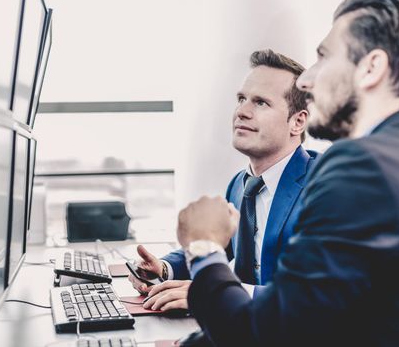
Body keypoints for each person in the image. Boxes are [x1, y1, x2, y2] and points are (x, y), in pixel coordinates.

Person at [177, 0, 399, 346]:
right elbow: (329, 316)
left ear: (371, 68)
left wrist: (204, 248)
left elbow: (260, 335)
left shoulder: (361, 166)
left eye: (324, 56)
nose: (306, 80)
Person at [128, 50, 319, 311]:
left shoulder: (323, 186)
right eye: (241, 99)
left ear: (297, 122)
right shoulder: (240, 185)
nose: (242, 111)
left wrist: (211, 292)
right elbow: (220, 248)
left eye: (260, 102)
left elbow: (317, 297)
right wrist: (164, 268)